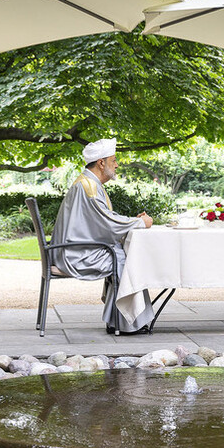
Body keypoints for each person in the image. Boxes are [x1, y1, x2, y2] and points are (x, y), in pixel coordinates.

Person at [51, 138, 154, 334]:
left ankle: (121, 320)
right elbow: (107, 223)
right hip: (77, 255)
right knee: (126, 259)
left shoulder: (89, 182)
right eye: (113, 160)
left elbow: (103, 220)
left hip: (75, 250)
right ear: (101, 163)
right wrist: (140, 222)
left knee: (122, 255)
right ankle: (125, 324)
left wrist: (132, 220)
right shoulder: (88, 186)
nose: (116, 165)